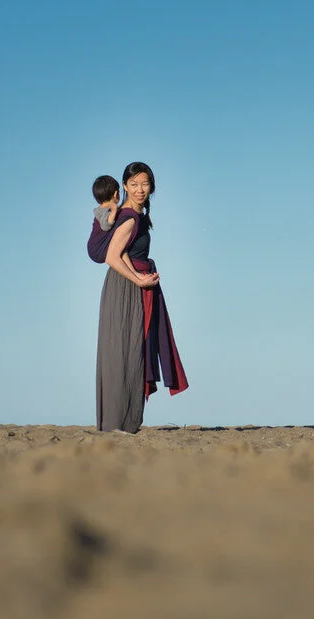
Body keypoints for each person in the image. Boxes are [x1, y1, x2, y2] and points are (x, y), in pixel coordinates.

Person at [96, 161, 189, 433]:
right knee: (126, 353)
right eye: (134, 184)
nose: (140, 189)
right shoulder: (129, 218)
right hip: (126, 289)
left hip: (129, 285)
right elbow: (112, 256)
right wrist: (139, 279)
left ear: (152, 187)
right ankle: (120, 423)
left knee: (130, 352)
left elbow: (122, 252)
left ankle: (124, 422)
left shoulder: (135, 215)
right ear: (124, 186)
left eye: (145, 184)